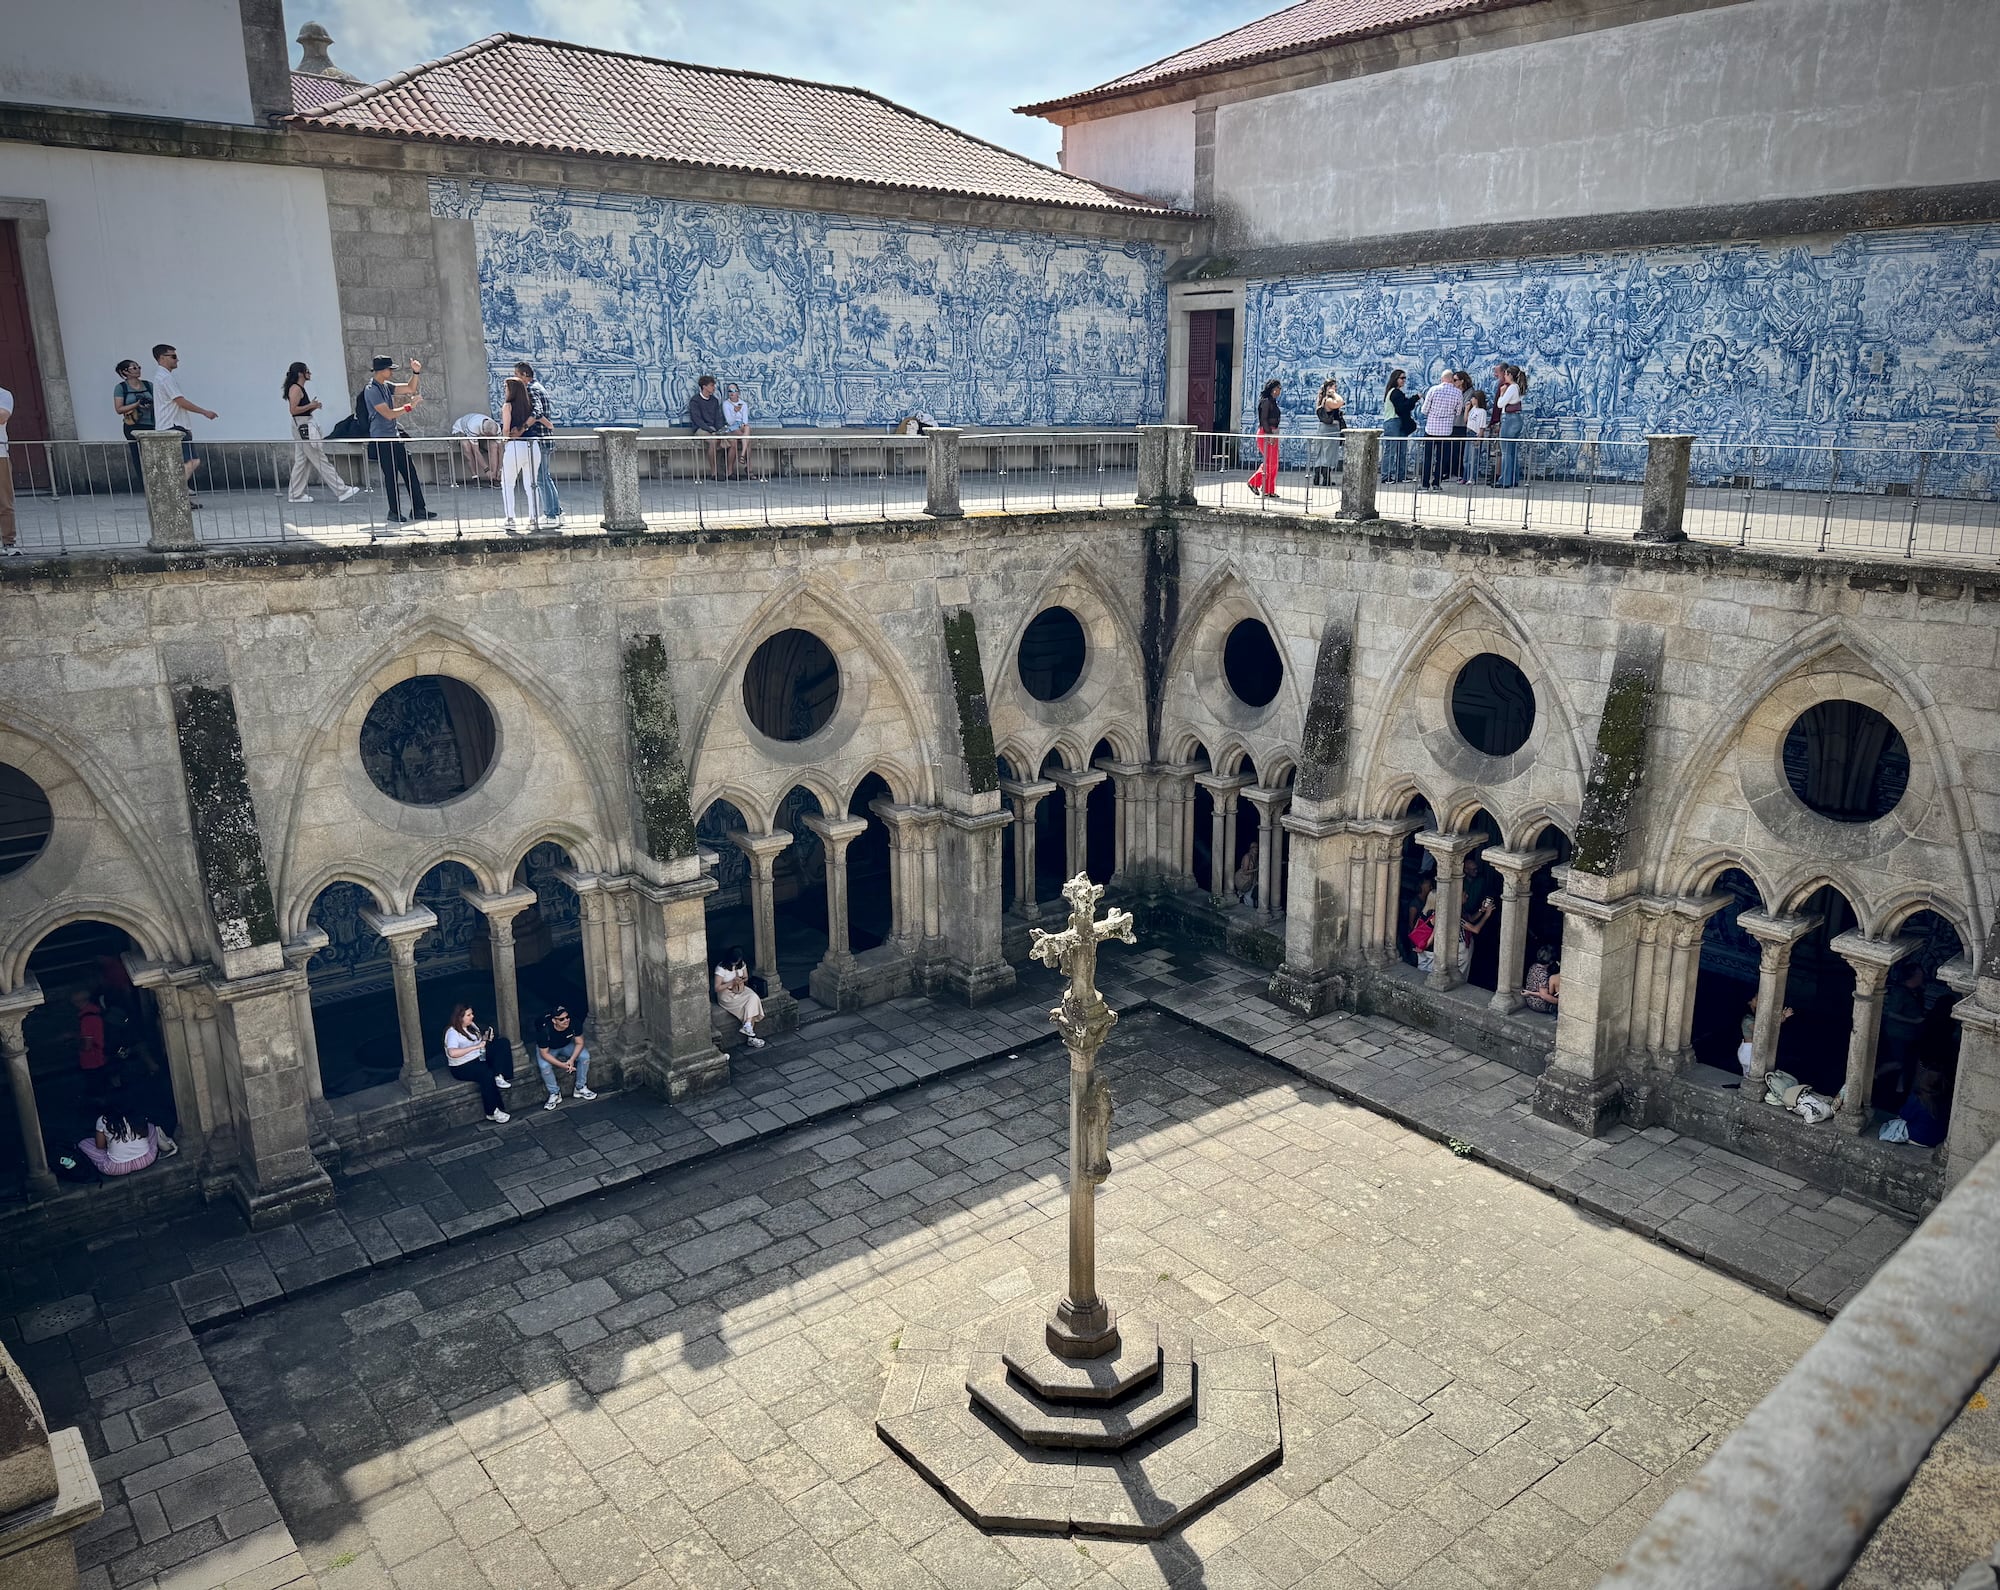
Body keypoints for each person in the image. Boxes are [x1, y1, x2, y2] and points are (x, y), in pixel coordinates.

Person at [365, 355, 436, 523]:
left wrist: (415, 372)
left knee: (410, 472)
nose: (392, 372)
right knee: (391, 476)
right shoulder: (372, 390)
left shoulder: (386, 386)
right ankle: (394, 511)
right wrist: (410, 406)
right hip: (382, 439)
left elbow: (410, 388)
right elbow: (388, 414)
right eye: (389, 369)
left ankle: (419, 509)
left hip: (394, 437)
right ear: (381, 370)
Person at [282, 362, 362, 505]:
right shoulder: (295, 388)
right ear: (300, 373)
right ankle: (341, 490)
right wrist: (310, 405)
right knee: (319, 458)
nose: (309, 374)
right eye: (307, 371)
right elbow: (293, 410)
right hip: (302, 426)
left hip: (302, 424)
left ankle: (295, 494)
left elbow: (300, 410)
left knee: (302, 461)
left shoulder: (298, 388)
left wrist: (313, 407)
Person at [149, 345, 213, 505]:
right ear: (162, 358)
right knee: (191, 461)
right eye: (173, 356)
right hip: (174, 426)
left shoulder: (163, 377)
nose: (177, 359)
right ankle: (173, 494)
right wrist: (204, 412)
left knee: (179, 465)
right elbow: (180, 401)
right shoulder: (165, 378)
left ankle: (181, 498)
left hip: (171, 425)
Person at [444, 1002, 512, 1122]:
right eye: (468, 1015)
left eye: (472, 1014)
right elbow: (452, 1053)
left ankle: (499, 1075)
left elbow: (478, 1042)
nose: (472, 1016)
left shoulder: (472, 1025)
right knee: (486, 1074)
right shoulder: (452, 1032)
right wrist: (475, 1047)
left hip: (478, 1056)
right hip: (462, 1066)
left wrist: (485, 1038)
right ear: (460, 1017)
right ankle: (492, 1111)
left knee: (503, 1043)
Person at [513, 362, 562, 525]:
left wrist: (523, 428)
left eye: (517, 374)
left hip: (540, 439)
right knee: (545, 477)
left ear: (525, 375)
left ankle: (550, 515)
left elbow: (537, 412)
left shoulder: (531, 389)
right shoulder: (539, 387)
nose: (515, 378)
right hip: (545, 438)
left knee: (541, 478)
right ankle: (556, 512)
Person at [1877, 961, 1927, 1104]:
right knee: (1899, 1061)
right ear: (1912, 976)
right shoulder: (1900, 992)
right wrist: (1914, 1021)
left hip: (1911, 1035)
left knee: (1908, 1062)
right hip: (1898, 1034)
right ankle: (1875, 1074)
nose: (1922, 977)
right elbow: (1892, 1013)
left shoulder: (1916, 992)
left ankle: (1900, 1089)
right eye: (1919, 975)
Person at [499, 375, 542, 532]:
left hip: (516, 446)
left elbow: (506, 429)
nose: (504, 390)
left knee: (507, 483)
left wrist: (504, 440)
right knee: (532, 484)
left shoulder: (508, 406)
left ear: (511, 390)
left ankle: (510, 518)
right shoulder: (530, 405)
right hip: (533, 445)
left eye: (506, 387)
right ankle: (534, 518)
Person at [533, 1005, 594, 1111]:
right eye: (561, 1019)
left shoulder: (574, 1022)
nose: (566, 1020)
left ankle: (580, 1087)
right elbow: (544, 1054)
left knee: (584, 1056)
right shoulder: (544, 1030)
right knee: (544, 1066)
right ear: (554, 1021)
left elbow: (580, 1042)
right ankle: (555, 1093)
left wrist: (571, 1059)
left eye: (567, 1017)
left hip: (566, 1045)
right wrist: (563, 1065)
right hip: (549, 1049)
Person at [78, 1112, 172, 1176]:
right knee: (151, 1127)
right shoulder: (137, 1114)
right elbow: (146, 1133)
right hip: (146, 1159)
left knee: (83, 1143)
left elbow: (100, 1146)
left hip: (115, 1168)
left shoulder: (103, 1120)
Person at [714, 946, 766, 1049]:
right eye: (734, 962)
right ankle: (751, 1037)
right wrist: (731, 982)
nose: (735, 964)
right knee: (748, 1007)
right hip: (726, 994)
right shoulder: (721, 969)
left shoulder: (741, 964)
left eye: (737, 962)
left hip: (740, 988)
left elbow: (746, 977)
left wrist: (740, 980)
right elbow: (717, 988)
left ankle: (747, 1025)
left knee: (753, 997)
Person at [113, 359, 155, 481]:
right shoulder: (121, 388)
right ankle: (143, 482)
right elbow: (119, 409)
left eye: (139, 367)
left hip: (150, 423)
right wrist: (136, 404)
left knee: (152, 455)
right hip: (133, 424)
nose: (138, 370)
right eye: (134, 368)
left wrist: (149, 404)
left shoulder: (148, 385)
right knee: (138, 456)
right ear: (125, 372)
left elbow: (158, 401)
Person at [1419, 371, 1462, 490]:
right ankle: (1437, 484)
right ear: (1451, 379)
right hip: (1446, 431)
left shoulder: (1433, 390)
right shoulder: (1458, 393)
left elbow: (1424, 410)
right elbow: (1458, 412)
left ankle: (1425, 484)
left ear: (1442, 379)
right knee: (1441, 458)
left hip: (1431, 429)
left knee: (1428, 457)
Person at [1458, 852, 1496, 977]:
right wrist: (1486, 915)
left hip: (1467, 941)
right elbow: (1475, 929)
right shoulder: (1457, 914)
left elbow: (1470, 918)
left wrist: (1482, 910)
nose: (1467, 896)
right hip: (1462, 946)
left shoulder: (1481, 881)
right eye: (1465, 895)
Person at [1737, 992, 1793, 1075]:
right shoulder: (1747, 1019)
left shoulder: (1756, 1016)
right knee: (1752, 1076)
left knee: (1751, 1076)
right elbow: (1761, 1031)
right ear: (1749, 1002)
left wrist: (1782, 1017)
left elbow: (1769, 1024)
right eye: (1756, 999)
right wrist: (1781, 1018)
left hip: (1752, 1049)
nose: (1759, 1001)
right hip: (1749, 1050)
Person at [1247, 379, 1282, 498]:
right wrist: (1269, 434)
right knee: (1270, 462)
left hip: (1273, 432)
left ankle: (1269, 489)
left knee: (1274, 462)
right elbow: (1263, 420)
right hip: (1266, 433)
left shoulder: (1273, 402)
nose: (1279, 391)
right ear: (1273, 389)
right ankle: (1253, 482)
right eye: (1278, 388)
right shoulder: (1266, 402)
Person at [688, 375, 727, 479]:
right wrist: (710, 429)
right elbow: (697, 419)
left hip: (713, 429)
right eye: (711, 385)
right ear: (704, 386)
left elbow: (718, 417)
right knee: (713, 441)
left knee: (726, 441)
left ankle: (725, 471)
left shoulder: (714, 400)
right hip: (700, 429)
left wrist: (719, 430)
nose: (714, 388)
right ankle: (714, 473)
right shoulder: (695, 400)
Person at [1382, 370, 1417, 482]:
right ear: (1395, 379)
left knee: (1402, 450)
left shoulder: (1397, 393)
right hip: (1393, 422)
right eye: (1402, 378)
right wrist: (1414, 398)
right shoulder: (1395, 393)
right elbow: (1402, 407)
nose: (1404, 380)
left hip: (1399, 422)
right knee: (1391, 451)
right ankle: (1386, 476)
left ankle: (1401, 474)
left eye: (1404, 378)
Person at [1497, 364, 1527, 487]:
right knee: (1512, 451)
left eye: (1506, 374)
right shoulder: (1517, 388)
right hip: (1516, 419)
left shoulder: (1512, 388)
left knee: (1506, 451)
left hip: (1509, 419)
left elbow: (1500, 404)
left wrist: (1501, 393)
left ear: (1510, 375)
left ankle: (1505, 480)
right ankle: (1513, 478)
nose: (1504, 376)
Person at [1310, 376, 1344, 486]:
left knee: (1320, 453)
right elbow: (1340, 402)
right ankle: (1326, 479)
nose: (1336, 388)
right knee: (1328, 453)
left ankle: (1317, 477)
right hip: (1330, 429)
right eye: (1334, 386)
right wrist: (1333, 394)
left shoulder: (1321, 399)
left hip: (1323, 428)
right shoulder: (1328, 400)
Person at [451, 412, 503, 483]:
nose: (493, 437)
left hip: (479, 433)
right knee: (466, 446)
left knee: (493, 445)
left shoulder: (496, 428)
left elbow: (501, 449)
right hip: (461, 430)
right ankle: (475, 477)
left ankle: (493, 476)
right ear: (486, 433)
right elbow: (476, 451)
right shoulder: (473, 427)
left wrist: (500, 469)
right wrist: (486, 470)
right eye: (491, 436)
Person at [722, 383, 752, 480]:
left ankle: (742, 455)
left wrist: (743, 425)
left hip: (741, 426)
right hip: (731, 427)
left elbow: (745, 420)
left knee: (747, 428)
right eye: (730, 391)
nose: (732, 393)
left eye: (734, 391)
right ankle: (748, 469)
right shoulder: (726, 404)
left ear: (738, 392)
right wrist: (735, 412)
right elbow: (730, 421)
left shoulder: (743, 404)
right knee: (747, 441)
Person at [1461, 389, 1491, 484]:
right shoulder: (1472, 409)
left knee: (1473, 458)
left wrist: (1479, 437)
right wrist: (1467, 409)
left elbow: (1482, 426)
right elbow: (1466, 420)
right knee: (1466, 458)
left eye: (1473, 398)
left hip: (1475, 433)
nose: (1472, 400)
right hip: (1468, 433)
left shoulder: (1482, 412)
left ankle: (1472, 477)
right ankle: (1465, 477)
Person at [1522, 945, 1561, 1013]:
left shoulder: (1534, 966)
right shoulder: (1543, 974)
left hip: (1529, 1000)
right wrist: (1559, 1002)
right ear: (1551, 961)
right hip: (1539, 1003)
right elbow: (1544, 995)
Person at [0, 378, 13, 556]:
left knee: (4, 502)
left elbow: (2, 416)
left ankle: (9, 542)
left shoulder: (3, 394)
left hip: (0, 454)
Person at [1233, 838, 1260, 907]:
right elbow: (1245, 871)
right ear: (1250, 849)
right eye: (1253, 847)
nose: (1256, 848)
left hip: (1251, 882)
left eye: (1257, 847)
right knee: (1248, 897)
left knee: (1250, 896)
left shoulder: (1255, 857)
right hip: (1244, 880)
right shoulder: (1247, 857)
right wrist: (1256, 869)